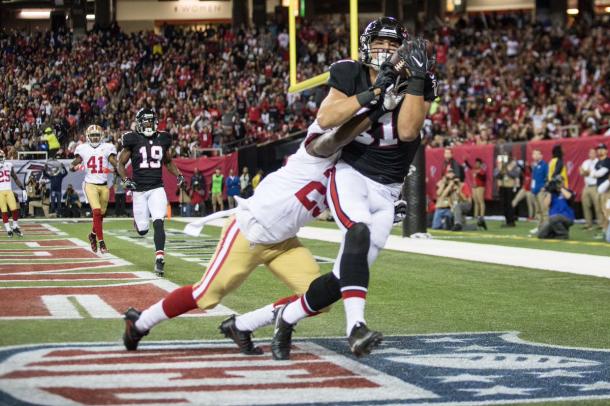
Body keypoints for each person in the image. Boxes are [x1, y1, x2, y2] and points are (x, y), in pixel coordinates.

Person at [121, 90, 376, 354]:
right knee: (206, 295)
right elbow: (334, 138)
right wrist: (374, 109)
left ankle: (243, 324)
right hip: (250, 231)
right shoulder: (319, 142)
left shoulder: (351, 170)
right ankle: (140, 322)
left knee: (319, 298)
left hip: (285, 242)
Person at [271, 17, 436, 359]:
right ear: (366, 45)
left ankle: (275, 319)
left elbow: (407, 132)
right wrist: (375, 93)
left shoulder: (418, 79)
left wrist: (416, 79)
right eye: (380, 44)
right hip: (351, 173)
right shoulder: (349, 72)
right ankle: (356, 329)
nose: (386, 51)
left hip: (388, 190)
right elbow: (328, 117)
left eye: (393, 46)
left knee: (339, 279)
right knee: (356, 233)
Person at [117, 108, 185, 276]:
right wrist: (126, 180)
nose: (148, 124)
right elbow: (120, 164)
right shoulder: (132, 139)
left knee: (159, 221)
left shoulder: (163, 138)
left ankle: (160, 258)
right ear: (139, 123)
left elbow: (168, 161)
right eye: (145, 121)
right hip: (139, 190)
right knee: (142, 230)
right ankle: (138, 223)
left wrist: (178, 174)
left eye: (150, 121)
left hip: (157, 187)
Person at [70, 125, 118, 254]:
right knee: (96, 212)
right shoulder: (83, 148)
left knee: (101, 215)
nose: (95, 138)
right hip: (90, 184)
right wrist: (73, 165)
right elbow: (78, 160)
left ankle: (92, 235)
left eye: (97, 135)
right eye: (93, 136)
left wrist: (118, 167)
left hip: (104, 185)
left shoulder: (107, 147)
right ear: (88, 137)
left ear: (101, 136)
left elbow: (113, 160)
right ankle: (101, 242)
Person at [537, 175, 575, 240]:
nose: (557, 184)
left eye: (559, 182)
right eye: (556, 182)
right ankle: (556, 233)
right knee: (541, 234)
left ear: (563, 182)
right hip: (552, 219)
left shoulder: (567, 191)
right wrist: (549, 191)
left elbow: (569, 197)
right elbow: (546, 205)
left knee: (554, 218)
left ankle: (563, 234)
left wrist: (560, 188)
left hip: (567, 217)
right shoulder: (552, 193)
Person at [0, 150, 25, 237]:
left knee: (14, 209)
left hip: (9, 190)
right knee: (4, 211)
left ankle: (14, 226)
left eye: (1, 157)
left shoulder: (9, 165)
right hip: (0, 192)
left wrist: (22, 188)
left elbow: (15, 177)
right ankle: (8, 229)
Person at [494, 154, 520, 227]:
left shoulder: (514, 168)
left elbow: (515, 175)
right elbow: (497, 176)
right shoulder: (500, 168)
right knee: (504, 205)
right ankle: (507, 220)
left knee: (509, 205)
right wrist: (501, 170)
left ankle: (511, 221)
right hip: (503, 187)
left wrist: (507, 170)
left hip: (510, 187)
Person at [579, 148, 601, 230]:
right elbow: (582, 173)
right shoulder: (585, 162)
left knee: (598, 205)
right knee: (585, 205)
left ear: (596, 154)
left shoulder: (598, 162)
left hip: (595, 186)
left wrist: (585, 171)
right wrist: (584, 172)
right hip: (587, 186)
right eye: (590, 152)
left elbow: (587, 173)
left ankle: (601, 223)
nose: (591, 154)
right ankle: (588, 223)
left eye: (593, 152)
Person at [530, 149, 548, 234]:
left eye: (536, 154)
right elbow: (534, 178)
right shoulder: (534, 165)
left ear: (541, 156)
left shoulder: (544, 165)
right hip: (535, 191)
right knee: (538, 210)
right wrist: (532, 189)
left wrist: (544, 187)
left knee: (544, 210)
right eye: (533, 154)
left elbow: (547, 177)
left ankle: (546, 228)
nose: (534, 156)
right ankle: (539, 227)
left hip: (541, 191)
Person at [471, 158, 487, 230]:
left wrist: (478, 173)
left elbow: (483, 176)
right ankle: (475, 215)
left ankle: (481, 216)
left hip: (480, 186)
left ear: (480, 164)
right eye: (476, 163)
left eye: (478, 163)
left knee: (481, 201)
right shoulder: (474, 169)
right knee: (476, 201)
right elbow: (469, 167)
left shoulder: (482, 170)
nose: (476, 164)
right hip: (474, 186)